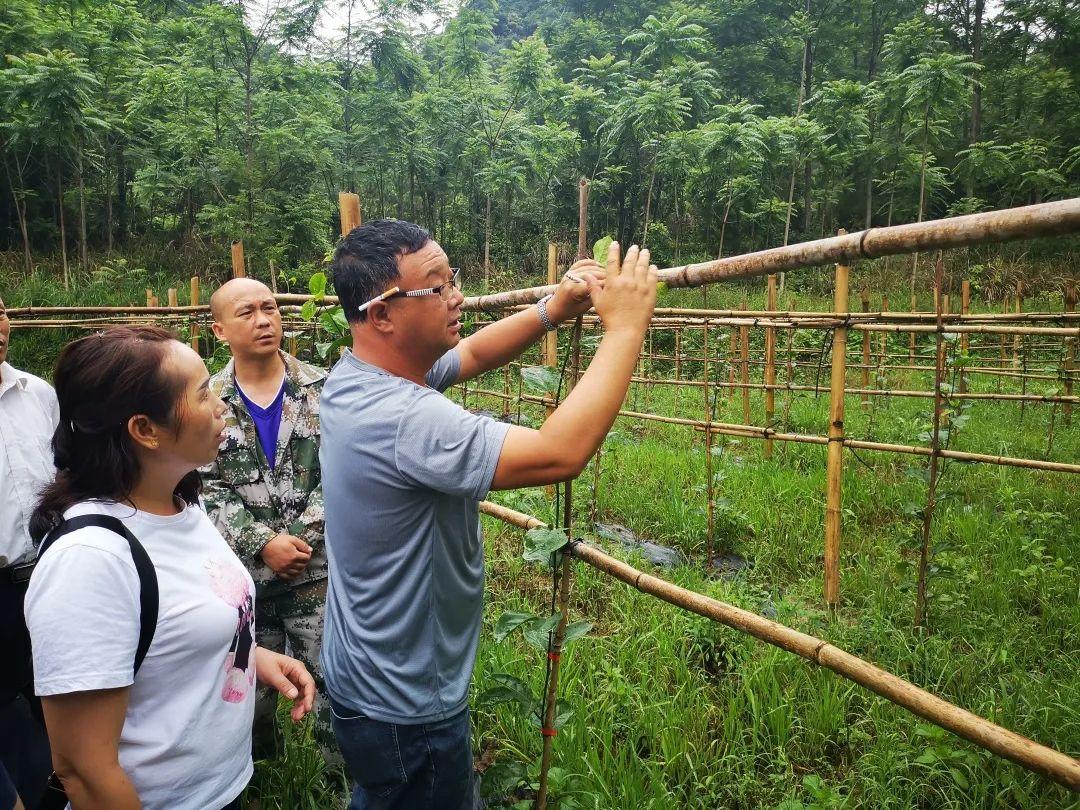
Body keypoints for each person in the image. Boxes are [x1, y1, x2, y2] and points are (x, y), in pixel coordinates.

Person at [320, 219, 657, 809]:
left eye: (455, 279)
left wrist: (552, 308)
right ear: (381, 314)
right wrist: (625, 329)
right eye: (438, 286)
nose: (458, 297)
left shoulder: (357, 377)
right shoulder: (404, 419)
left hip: (366, 672)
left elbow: (471, 352)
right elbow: (558, 453)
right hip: (406, 701)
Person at [24, 326, 316, 810]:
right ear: (144, 430)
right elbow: (84, 771)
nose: (221, 404)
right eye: (202, 393)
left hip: (221, 789)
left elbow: (172, 628)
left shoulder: (179, 502)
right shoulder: (91, 560)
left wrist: (247, 654)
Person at [200, 278, 335, 759]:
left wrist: (298, 542)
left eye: (270, 308)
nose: (263, 320)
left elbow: (344, 472)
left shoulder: (326, 389)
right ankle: (253, 779)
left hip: (316, 575)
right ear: (219, 329)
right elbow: (202, 484)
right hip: (242, 581)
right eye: (247, 312)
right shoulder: (206, 401)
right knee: (242, 696)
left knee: (336, 686)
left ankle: (343, 782)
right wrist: (261, 542)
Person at [0, 294, 55, 809]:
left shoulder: (37, 393)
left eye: (0, 312)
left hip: (47, 573)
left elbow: (62, 473)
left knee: (57, 694)